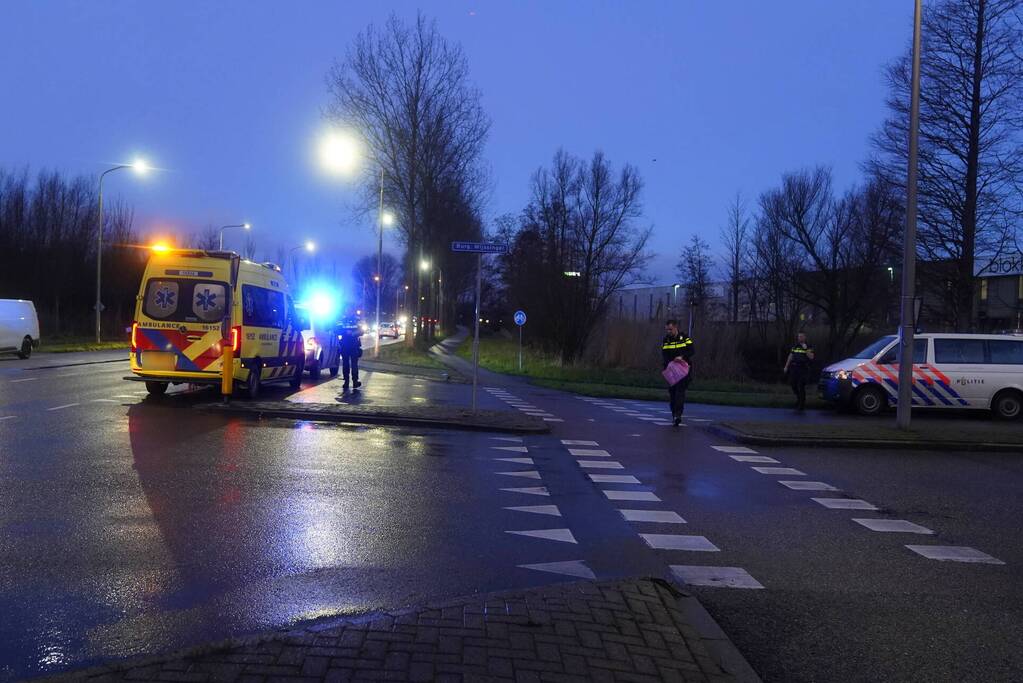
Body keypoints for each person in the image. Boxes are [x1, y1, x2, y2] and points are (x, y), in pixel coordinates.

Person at [661, 319, 695, 426]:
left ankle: (678, 415)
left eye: (670, 329)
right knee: (672, 393)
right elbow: (664, 354)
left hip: (684, 369)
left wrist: (682, 357)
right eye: (667, 330)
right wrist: (669, 364)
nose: (668, 332)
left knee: (680, 392)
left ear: (676, 327)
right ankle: (674, 414)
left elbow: (692, 351)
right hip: (672, 370)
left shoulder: (684, 338)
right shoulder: (666, 340)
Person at [783, 332, 815, 411]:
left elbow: (811, 357)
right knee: (793, 385)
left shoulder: (808, 346)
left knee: (801, 386)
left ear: (805, 337)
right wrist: (786, 366)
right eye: (798, 337)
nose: (799, 338)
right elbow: (791, 356)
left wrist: (805, 349)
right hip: (794, 368)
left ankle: (801, 404)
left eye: (801, 336)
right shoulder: (795, 346)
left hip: (803, 369)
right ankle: (799, 399)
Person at [338, 323, 363, 390]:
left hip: (345, 346)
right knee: (354, 364)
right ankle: (354, 382)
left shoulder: (343, 320)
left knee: (346, 364)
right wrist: (352, 333)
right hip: (353, 346)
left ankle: (347, 382)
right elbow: (361, 331)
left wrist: (346, 333)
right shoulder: (356, 320)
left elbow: (337, 330)